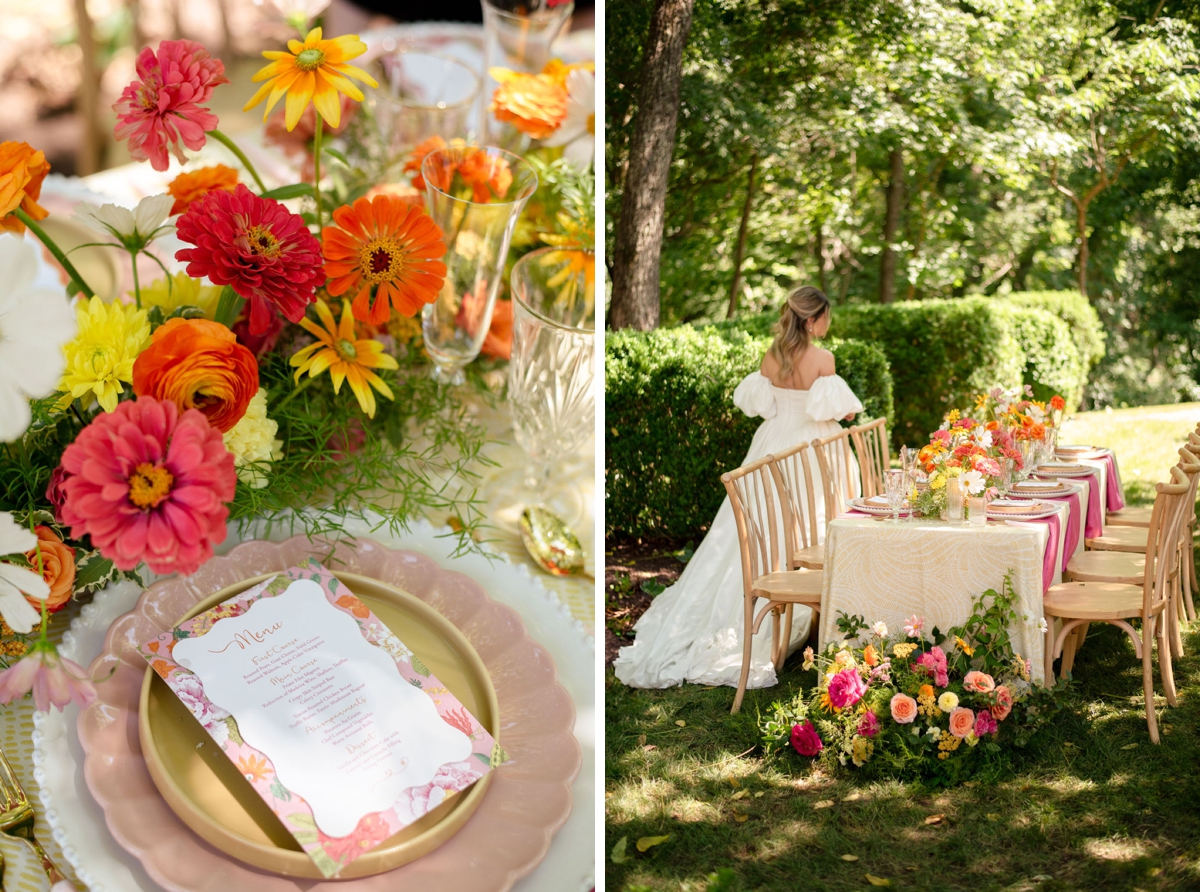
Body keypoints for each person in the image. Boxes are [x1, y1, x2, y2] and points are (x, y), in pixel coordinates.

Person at [613, 286, 864, 690]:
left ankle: (767, 599)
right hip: (809, 445)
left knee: (756, 524)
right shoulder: (824, 359)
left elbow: (764, 404)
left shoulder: (773, 355)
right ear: (814, 319)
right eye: (825, 317)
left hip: (771, 441)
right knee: (810, 514)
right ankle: (814, 602)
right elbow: (836, 409)